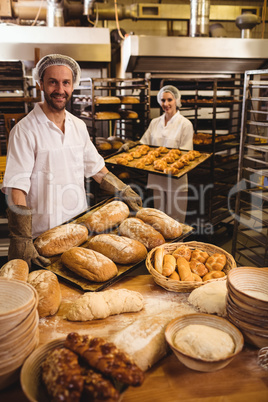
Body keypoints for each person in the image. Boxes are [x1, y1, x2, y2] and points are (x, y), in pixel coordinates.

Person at [2, 54, 142, 268]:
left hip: (78, 232)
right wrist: (22, 237)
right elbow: (16, 188)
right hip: (42, 238)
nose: (60, 89)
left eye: (66, 82)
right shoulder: (25, 130)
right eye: (52, 82)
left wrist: (123, 189)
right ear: (40, 84)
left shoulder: (78, 126)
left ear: (72, 85)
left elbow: (96, 169)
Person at [140, 85, 194, 223]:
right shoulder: (155, 122)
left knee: (176, 219)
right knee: (159, 218)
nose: (166, 104)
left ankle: (178, 245)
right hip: (156, 176)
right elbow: (144, 145)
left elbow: (186, 154)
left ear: (176, 100)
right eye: (163, 100)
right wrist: (130, 146)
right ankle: (163, 245)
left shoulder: (185, 124)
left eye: (170, 100)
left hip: (175, 179)